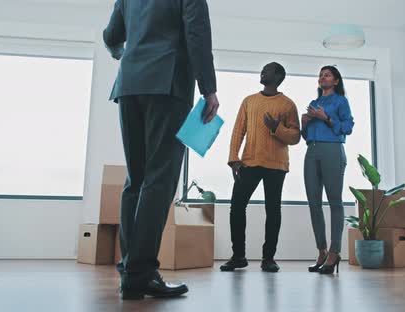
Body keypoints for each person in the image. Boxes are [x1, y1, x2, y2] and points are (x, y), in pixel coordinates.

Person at [103, 0, 219, 299]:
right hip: (167, 83)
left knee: (136, 179)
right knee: (159, 180)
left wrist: (127, 57)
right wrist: (208, 89)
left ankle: (131, 269)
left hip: (128, 85)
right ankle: (140, 274)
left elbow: (111, 35)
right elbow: (197, 35)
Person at [221, 62, 300, 273]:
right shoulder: (249, 101)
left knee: (273, 211)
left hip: (276, 165)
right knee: (237, 207)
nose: (262, 71)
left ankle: (269, 259)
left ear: (279, 76)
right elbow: (238, 130)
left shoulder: (287, 105)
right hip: (249, 162)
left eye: (267, 70)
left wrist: (276, 127)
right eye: (262, 69)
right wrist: (233, 158)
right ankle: (238, 256)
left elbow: (295, 137)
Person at [302, 65, 354, 275]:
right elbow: (306, 136)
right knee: (314, 203)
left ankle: (334, 252)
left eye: (327, 75)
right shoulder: (314, 103)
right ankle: (322, 251)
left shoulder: (341, 102)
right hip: (312, 151)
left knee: (334, 202)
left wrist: (326, 118)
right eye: (321, 75)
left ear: (336, 81)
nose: (322, 78)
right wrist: (305, 124)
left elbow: (348, 128)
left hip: (332, 150)